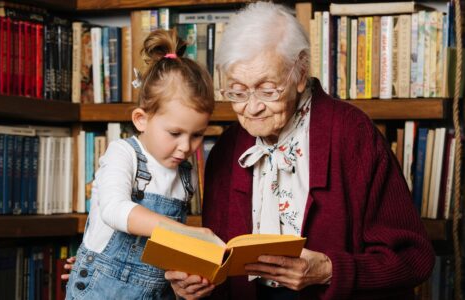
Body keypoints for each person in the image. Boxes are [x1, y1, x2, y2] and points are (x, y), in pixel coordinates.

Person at [165, 2, 435, 299]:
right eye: (237, 92)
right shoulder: (226, 151)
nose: (252, 108)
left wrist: (331, 270)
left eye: (268, 90)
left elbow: (415, 260)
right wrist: (197, 285)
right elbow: (221, 270)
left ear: (300, 72)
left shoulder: (353, 133)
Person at [65, 29, 215, 300]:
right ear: (141, 119)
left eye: (197, 135)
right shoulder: (123, 154)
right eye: (175, 133)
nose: (186, 147)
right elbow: (114, 209)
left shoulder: (185, 176)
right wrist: (185, 232)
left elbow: (168, 253)